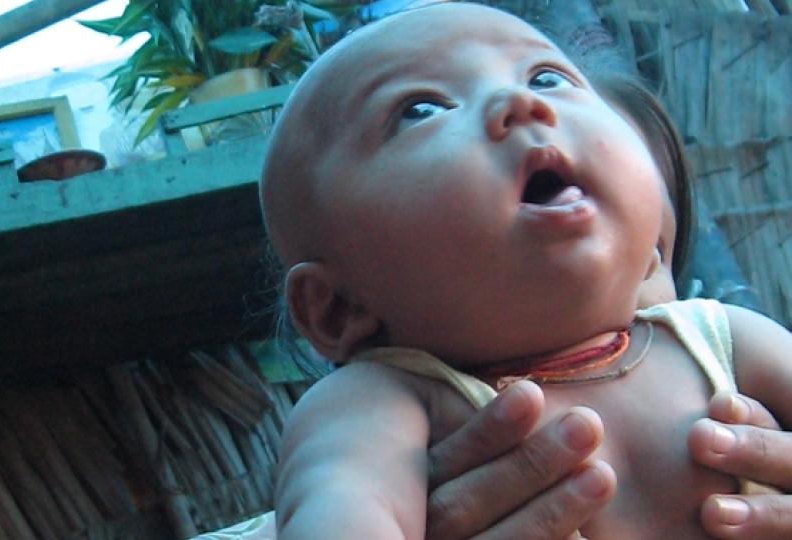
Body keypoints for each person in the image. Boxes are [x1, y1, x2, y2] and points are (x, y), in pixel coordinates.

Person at [259, 3, 792, 538]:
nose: (519, 101)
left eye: (546, 76)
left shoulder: (724, 340)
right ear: (338, 308)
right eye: (421, 109)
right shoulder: (377, 408)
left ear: (654, 243)